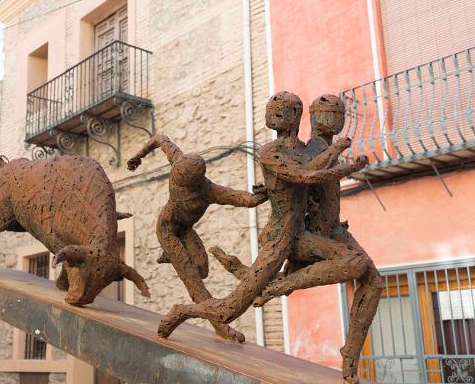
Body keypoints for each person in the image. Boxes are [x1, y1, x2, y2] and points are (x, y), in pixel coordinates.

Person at [157, 92, 366, 355]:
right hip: (279, 238)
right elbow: (305, 176)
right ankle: (180, 312)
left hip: (299, 235)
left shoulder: (301, 150)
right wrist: (344, 163)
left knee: (356, 262)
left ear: (294, 116)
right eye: (273, 106)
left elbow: (312, 170)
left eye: (282, 108)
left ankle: (276, 287)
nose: (274, 111)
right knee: (228, 310)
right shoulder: (270, 152)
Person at [250, 94, 381, 384]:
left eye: (339, 114)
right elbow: (306, 175)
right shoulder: (310, 150)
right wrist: (340, 156)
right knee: (356, 264)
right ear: (313, 116)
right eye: (327, 113)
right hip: (313, 232)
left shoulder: (320, 148)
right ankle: (281, 285)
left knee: (374, 280)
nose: (335, 120)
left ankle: (350, 355)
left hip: (335, 229)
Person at [127, 134, 268, 342]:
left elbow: (242, 198)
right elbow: (159, 139)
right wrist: (137, 157)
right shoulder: (178, 159)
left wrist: (263, 194)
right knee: (195, 283)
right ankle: (221, 328)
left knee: (202, 269)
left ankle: (171, 255)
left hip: (185, 231)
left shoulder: (209, 191)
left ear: (194, 185)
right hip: (167, 230)